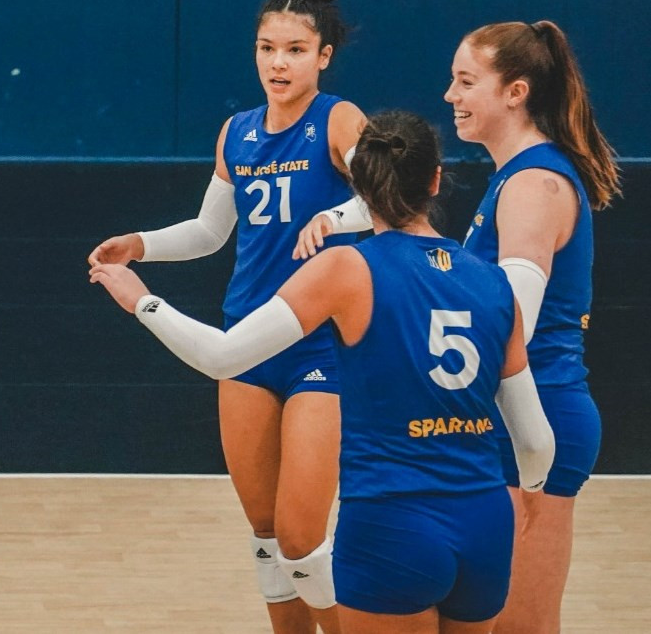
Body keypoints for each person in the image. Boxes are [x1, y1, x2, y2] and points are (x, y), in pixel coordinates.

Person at [93, 110, 556, 634]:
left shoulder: (347, 269)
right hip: (482, 522)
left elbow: (222, 356)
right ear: (434, 178)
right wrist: (533, 492)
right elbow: (536, 441)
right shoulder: (495, 285)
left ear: (356, 183)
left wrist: (143, 302)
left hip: (391, 522)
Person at [87, 0, 365, 633]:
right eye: (267, 47)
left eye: (295, 49)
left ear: (322, 55)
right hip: (245, 342)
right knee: (267, 534)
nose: (277, 62)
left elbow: (385, 197)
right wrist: (140, 244)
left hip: (316, 345)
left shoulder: (338, 119)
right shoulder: (235, 133)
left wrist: (339, 220)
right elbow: (211, 231)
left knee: (302, 534)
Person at [444, 21, 619, 634]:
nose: (451, 96)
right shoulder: (512, 179)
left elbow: (511, 324)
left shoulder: (533, 184)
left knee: (523, 627)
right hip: (507, 420)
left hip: (534, 419)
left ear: (515, 92)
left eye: (466, 82)